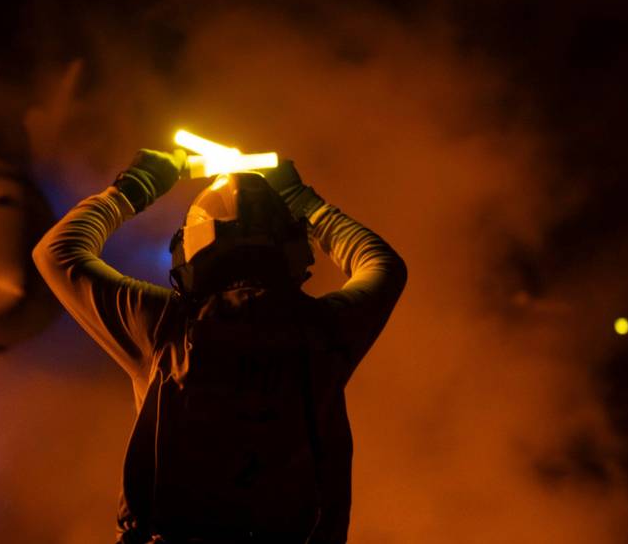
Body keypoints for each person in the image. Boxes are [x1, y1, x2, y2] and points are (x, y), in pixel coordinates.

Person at [34, 149, 406, 544]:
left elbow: (58, 253)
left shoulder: (165, 327)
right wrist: (303, 199)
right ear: (295, 246)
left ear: (188, 252)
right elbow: (384, 265)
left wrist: (136, 187)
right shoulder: (325, 331)